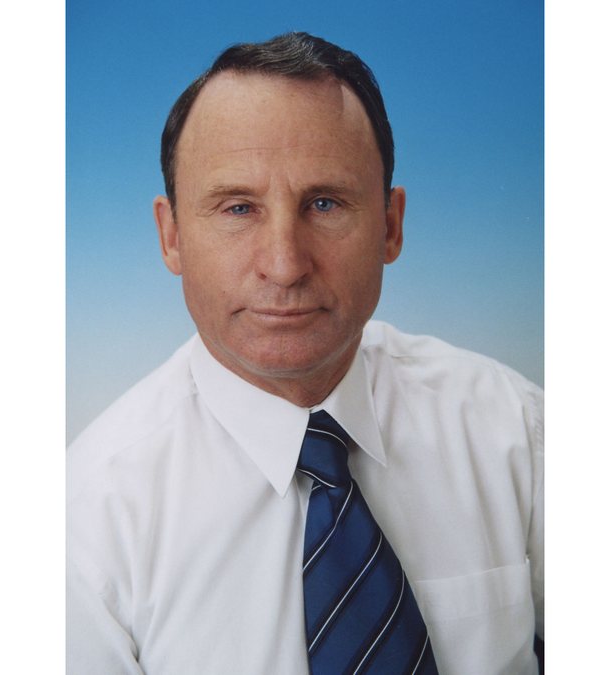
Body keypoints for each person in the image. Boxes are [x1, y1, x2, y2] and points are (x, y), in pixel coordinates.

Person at [67, 32, 543, 674]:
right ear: (171, 235)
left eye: (324, 203)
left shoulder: (515, 428)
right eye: (238, 208)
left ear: (390, 225)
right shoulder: (84, 521)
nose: (285, 264)